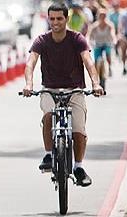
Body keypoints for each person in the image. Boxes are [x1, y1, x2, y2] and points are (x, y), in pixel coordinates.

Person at [22, 2, 104, 187]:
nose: (55, 22)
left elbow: (88, 62)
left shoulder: (77, 39)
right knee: (48, 115)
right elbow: (30, 63)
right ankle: (49, 155)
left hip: (75, 90)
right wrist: (29, 84)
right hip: (49, 90)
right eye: (52, 19)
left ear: (67, 19)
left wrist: (96, 84)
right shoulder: (41, 40)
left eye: (59, 18)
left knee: (79, 131)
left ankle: (79, 167)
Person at [87, 9, 117, 74]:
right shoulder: (94, 26)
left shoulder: (110, 25)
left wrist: (114, 40)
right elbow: (89, 35)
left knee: (108, 54)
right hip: (97, 44)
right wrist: (88, 42)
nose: (102, 17)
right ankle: (96, 74)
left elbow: (113, 33)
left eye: (104, 16)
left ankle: (109, 67)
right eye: (101, 15)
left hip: (107, 43)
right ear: (98, 16)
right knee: (96, 60)